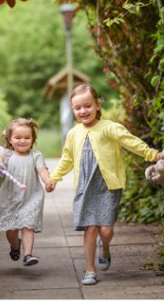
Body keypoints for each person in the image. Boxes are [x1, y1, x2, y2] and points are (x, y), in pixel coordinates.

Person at [45, 83, 164, 286]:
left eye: (88, 106)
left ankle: (105, 247)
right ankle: (90, 270)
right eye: (78, 108)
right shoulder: (73, 134)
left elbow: (130, 141)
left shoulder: (109, 128)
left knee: (106, 230)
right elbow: (67, 159)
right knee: (90, 228)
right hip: (85, 188)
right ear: (73, 110)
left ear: (97, 105)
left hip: (108, 186)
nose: (83, 111)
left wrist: (152, 153)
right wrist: (54, 178)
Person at [0, 118, 52, 267]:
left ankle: (28, 255)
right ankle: (15, 246)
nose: (22, 141)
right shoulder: (6, 155)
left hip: (31, 196)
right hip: (10, 199)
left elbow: (43, 171)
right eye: (18, 137)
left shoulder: (36, 155)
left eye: (27, 138)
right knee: (11, 231)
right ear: (10, 139)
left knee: (28, 225)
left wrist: (48, 182)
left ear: (33, 139)